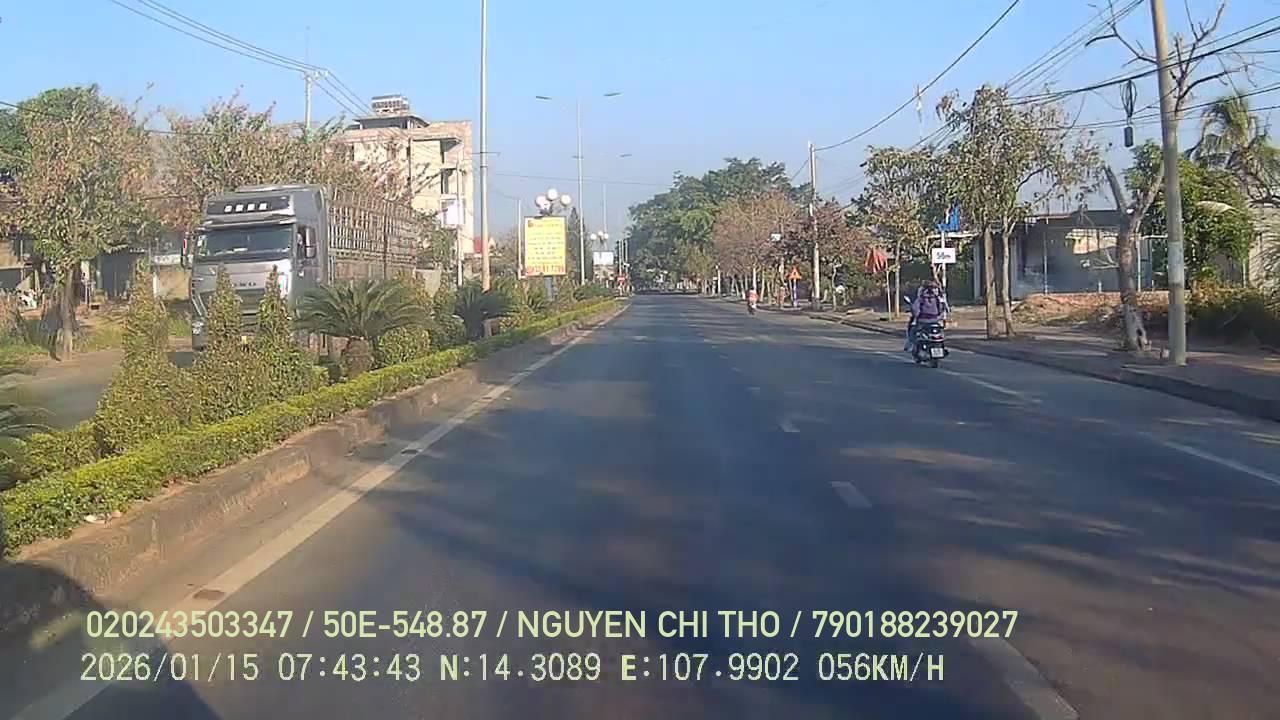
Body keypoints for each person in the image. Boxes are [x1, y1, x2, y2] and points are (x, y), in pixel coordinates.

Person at [905, 279, 949, 351]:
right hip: (935, 320)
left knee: (912, 330)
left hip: (923, 320)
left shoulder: (921, 298)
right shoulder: (937, 298)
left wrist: (916, 315)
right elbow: (941, 309)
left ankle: (911, 345)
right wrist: (939, 317)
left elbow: (916, 309)